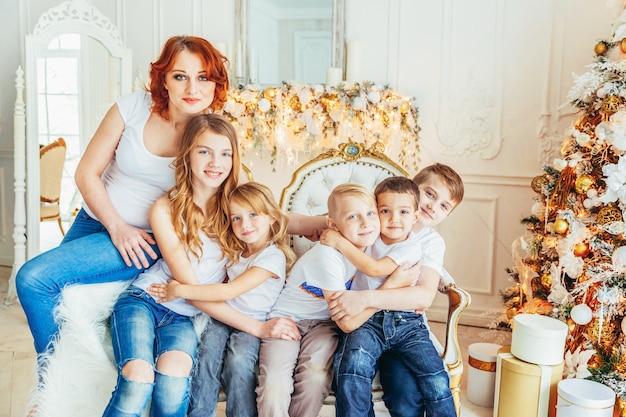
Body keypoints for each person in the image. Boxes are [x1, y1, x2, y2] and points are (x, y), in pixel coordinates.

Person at [15, 35, 230, 361]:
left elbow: (237, 198)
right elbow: (86, 172)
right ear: (164, 80)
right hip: (94, 222)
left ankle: (55, 379)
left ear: (216, 85)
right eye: (180, 76)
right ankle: (66, 388)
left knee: (32, 280)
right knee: (59, 300)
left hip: (146, 239)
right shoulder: (131, 107)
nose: (192, 89)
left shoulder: (215, 134)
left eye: (203, 78)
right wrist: (116, 226)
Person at [101, 113, 240, 417]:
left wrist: (322, 222)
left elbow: (277, 219)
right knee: (138, 378)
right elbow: (188, 286)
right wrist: (256, 326)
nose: (216, 162)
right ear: (187, 154)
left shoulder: (237, 205)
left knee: (175, 380)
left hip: (183, 318)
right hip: (145, 300)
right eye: (205, 151)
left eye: (225, 153)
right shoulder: (165, 208)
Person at [256, 183, 410, 417]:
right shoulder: (327, 256)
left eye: (370, 213)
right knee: (275, 385)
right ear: (333, 225)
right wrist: (389, 289)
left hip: (324, 325)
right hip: (288, 320)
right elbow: (346, 322)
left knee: (315, 379)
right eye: (353, 216)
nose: (366, 223)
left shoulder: (369, 245)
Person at [323, 164, 465, 417]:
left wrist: (363, 297)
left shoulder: (428, 243)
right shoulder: (370, 221)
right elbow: (331, 221)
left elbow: (422, 296)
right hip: (368, 323)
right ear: (411, 187)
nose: (432, 206)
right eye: (430, 194)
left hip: (405, 322)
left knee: (409, 396)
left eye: (444, 206)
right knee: (353, 369)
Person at [146, 181, 296, 417]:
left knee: (239, 361)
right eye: (236, 218)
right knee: (206, 357)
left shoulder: (272, 257)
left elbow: (229, 291)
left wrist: (181, 290)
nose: (244, 225)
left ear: (272, 218)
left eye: (253, 215)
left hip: (250, 323)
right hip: (221, 317)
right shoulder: (236, 251)